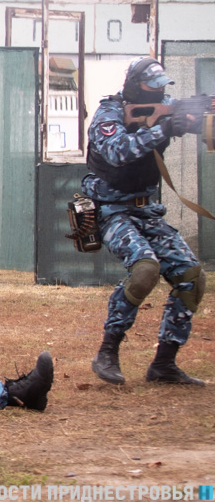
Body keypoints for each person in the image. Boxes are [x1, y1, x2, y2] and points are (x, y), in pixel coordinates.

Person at [84, 58, 208, 386]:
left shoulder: (164, 106)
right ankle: (107, 351)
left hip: (147, 211)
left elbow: (193, 120)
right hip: (112, 210)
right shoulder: (108, 114)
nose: (159, 94)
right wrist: (162, 130)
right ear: (136, 86)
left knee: (191, 278)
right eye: (152, 87)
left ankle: (164, 364)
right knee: (144, 270)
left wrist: (195, 119)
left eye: (162, 88)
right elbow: (116, 152)